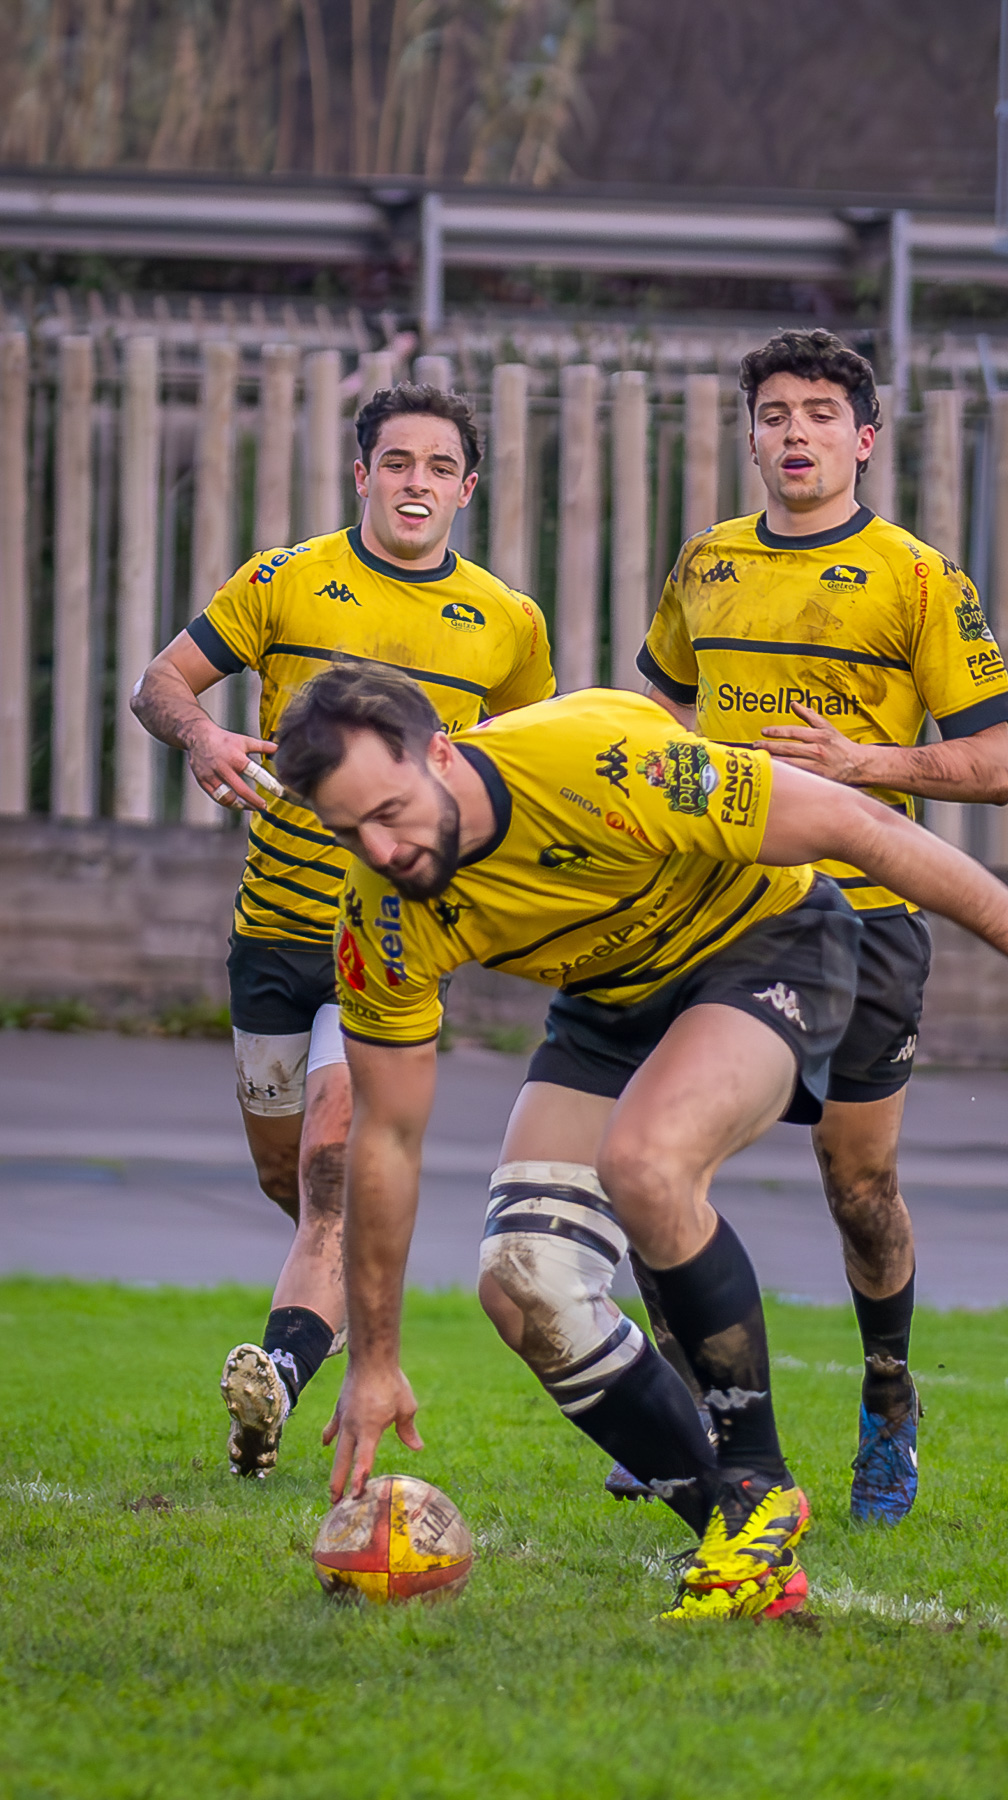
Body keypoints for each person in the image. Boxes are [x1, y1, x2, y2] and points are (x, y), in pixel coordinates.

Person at [270, 663, 1008, 1622]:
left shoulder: (605, 761)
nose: (382, 848)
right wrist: (373, 1361)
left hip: (770, 940)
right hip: (613, 998)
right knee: (525, 1282)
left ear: (440, 751)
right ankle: (744, 1552)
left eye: (393, 811)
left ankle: (758, 1480)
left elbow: (860, 826)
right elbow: (388, 1140)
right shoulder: (379, 914)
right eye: (347, 829)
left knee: (647, 1164)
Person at [130, 383, 554, 1478]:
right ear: (361, 474)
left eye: (439, 466)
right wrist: (203, 739)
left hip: (393, 942)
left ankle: (273, 1381)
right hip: (269, 936)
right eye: (396, 462)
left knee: (331, 1160)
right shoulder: (283, 581)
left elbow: (517, 769)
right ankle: (315, 1311)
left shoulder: (507, 623)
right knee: (297, 1186)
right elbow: (159, 681)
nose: (417, 482)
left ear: (468, 486)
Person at [633, 327, 1008, 1524]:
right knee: (656, 1161)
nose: (792, 432)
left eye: (816, 413)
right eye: (771, 413)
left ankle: (887, 1403)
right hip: (722, 908)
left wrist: (866, 760)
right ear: (748, 435)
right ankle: (697, 1413)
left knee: (855, 1182)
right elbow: (655, 707)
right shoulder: (706, 562)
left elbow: (996, 763)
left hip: (868, 920)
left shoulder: (915, 576)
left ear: (861, 439)